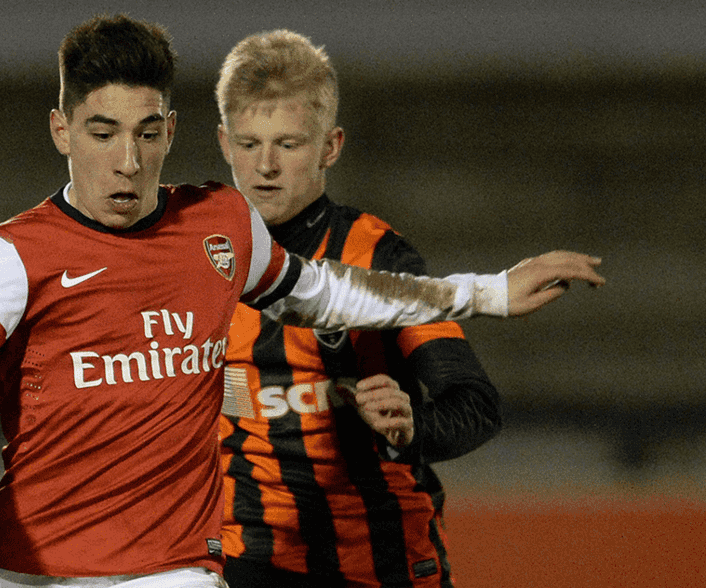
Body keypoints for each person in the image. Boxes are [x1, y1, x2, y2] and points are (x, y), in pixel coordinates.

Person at [0, 14, 605, 588]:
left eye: (146, 134)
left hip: (203, 568)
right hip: (37, 561)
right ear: (62, 131)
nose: (128, 161)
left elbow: (327, 293)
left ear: (170, 132)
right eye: (102, 134)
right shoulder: (15, 251)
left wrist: (485, 293)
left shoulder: (223, 228)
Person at [214, 30, 529, 587]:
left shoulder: (377, 254)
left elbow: (476, 405)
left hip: (379, 560)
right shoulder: (195, 254)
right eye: (248, 143)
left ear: (330, 146)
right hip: (249, 560)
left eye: (288, 144)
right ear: (223, 142)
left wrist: (409, 429)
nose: (265, 165)